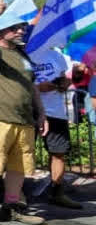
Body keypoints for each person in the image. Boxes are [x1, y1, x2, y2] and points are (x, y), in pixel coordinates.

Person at [0, 1, 47, 225]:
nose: (21, 30)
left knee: (19, 167)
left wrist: (41, 113)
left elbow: (31, 86)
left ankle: (12, 208)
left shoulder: (23, 55)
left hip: (24, 120)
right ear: (2, 30)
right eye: (15, 27)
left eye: (22, 27)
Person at [31, 47, 82, 209]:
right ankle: (15, 196)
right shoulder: (26, 53)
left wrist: (64, 83)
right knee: (22, 152)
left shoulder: (58, 55)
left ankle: (57, 193)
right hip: (30, 111)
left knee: (58, 152)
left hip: (56, 112)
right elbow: (22, 85)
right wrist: (43, 87)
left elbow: (63, 78)